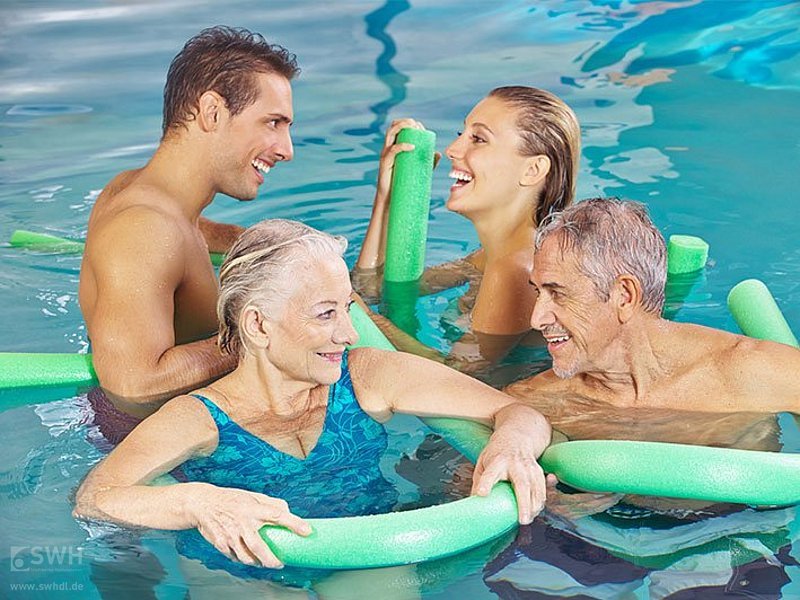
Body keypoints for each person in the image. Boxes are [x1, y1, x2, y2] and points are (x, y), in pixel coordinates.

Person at [74, 220, 551, 584]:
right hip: (239, 571)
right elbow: (96, 498)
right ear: (259, 325)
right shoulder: (198, 419)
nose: (347, 333)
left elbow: (518, 412)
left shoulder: (366, 375)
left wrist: (511, 444)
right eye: (326, 314)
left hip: (364, 553)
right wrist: (200, 501)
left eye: (346, 308)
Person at [78, 26, 298, 421]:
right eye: (272, 123)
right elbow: (133, 385)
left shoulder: (136, 190)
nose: (286, 150)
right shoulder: (144, 229)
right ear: (212, 112)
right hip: (159, 453)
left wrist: (247, 242)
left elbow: (183, 229)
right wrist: (265, 333)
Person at [504, 197, 800, 425]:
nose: (536, 318)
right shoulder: (539, 400)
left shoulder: (748, 372)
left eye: (557, 293)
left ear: (624, 295)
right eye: (538, 292)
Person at [352, 86, 581, 368]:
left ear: (532, 170)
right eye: (462, 134)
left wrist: (367, 320)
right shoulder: (488, 257)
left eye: (479, 139)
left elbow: (459, 376)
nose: (452, 150)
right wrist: (387, 198)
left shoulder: (517, 269)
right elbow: (372, 289)